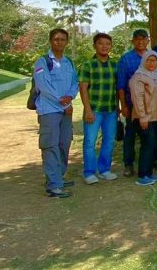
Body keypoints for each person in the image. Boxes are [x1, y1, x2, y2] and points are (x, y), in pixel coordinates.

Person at [34, 28, 79, 198]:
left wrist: (70, 97)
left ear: (67, 42)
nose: (59, 42)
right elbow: (43, 86)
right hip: (50, 111)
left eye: (62, 39)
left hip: (65, 110)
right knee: (50, 146)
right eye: (56, 39)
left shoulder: (69, 63)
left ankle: (58, 177)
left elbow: (74, 82)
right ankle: (53, 186)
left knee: (64, 144)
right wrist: (63, 102)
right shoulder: (42, 62)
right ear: (50, 41)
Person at [78, 32, 119, 185]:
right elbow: (83, 88)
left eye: (108, 44)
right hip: (94, 109)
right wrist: (87, 110)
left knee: (108, 140)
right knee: (90, 141)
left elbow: (117, 88)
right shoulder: (87, 65)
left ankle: (104, 169)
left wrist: (118, 107)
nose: (104, 46)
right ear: (94, 45)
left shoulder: (115, 65)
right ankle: (89, 172)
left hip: (110, 110)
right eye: (101, 43)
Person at [128, 50, 157, 186]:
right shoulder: (138, 77)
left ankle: (149, 172)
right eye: (149, 60)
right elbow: (138, 99)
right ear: (144, 61)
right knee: (147, 144)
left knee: (153, 145)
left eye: (154, 60)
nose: (151, 63)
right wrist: (142, 117)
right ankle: (143, 174)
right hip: (144, 117)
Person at [117, 28, 150, 177]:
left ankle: (147, 164)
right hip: (131, 104)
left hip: (150, 105)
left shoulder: (154, 57)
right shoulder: (126, 59)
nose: (141, 41)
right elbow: (121, 85)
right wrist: (123, 105)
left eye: (143, 38)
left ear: (148, 40)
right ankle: (128, 165)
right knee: (130, 135)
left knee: (148, 136)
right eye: (137, 39)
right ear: (133, 41)